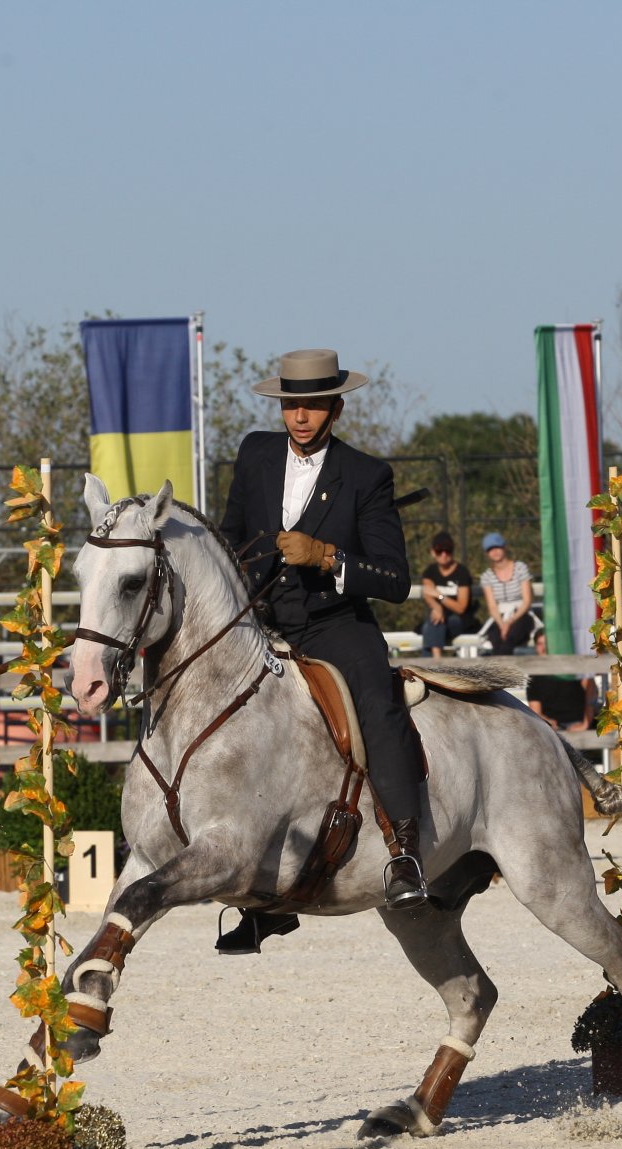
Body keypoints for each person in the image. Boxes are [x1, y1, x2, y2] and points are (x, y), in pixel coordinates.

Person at [215, 347, 424, 956]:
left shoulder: (366, 475)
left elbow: (394, 580)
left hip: (334, 626)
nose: (300, 416)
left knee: (377, 702)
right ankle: (260, 894)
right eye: (291, 405)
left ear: (334, 407)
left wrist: (327, 557)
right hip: (260, 619)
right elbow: (231, 537)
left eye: (311, 405)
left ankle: (405, 850)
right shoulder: (255, 453)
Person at [418, 532, 477, 656]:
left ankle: (434, 666)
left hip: (460, 621)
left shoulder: (462, 572)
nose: (444, 554)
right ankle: (435, 664)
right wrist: (437, 607)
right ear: (433, 552)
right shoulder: (430, 571)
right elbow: (428, 594)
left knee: (432, 625)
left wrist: (440, 597)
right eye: (439, 551)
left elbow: (461, 608)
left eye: (448, 550)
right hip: (438, 618)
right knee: (433, 623)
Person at [478, 532, 535, 655]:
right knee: (495, 638)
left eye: (497, 547)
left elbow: (527, 601)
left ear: (504, 547)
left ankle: (503, 671)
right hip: (500, 616)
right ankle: (502, 672)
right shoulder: (487, 576)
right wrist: (502, 624)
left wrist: (509, 622)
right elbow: (492, 606)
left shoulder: (520, 568)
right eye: (490, 549)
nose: (495, 552)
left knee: (510, 638)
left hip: (521, 614)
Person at [526, 630, 594, 731]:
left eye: (547, 644)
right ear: (536, 647)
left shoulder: (572, 665)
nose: (544, 648)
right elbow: (536, 711)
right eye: (540, 644)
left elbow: (591, 692)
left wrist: (585, 724)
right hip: (551, 729)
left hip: (579, 723)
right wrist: (548, 724)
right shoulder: (534, 677)